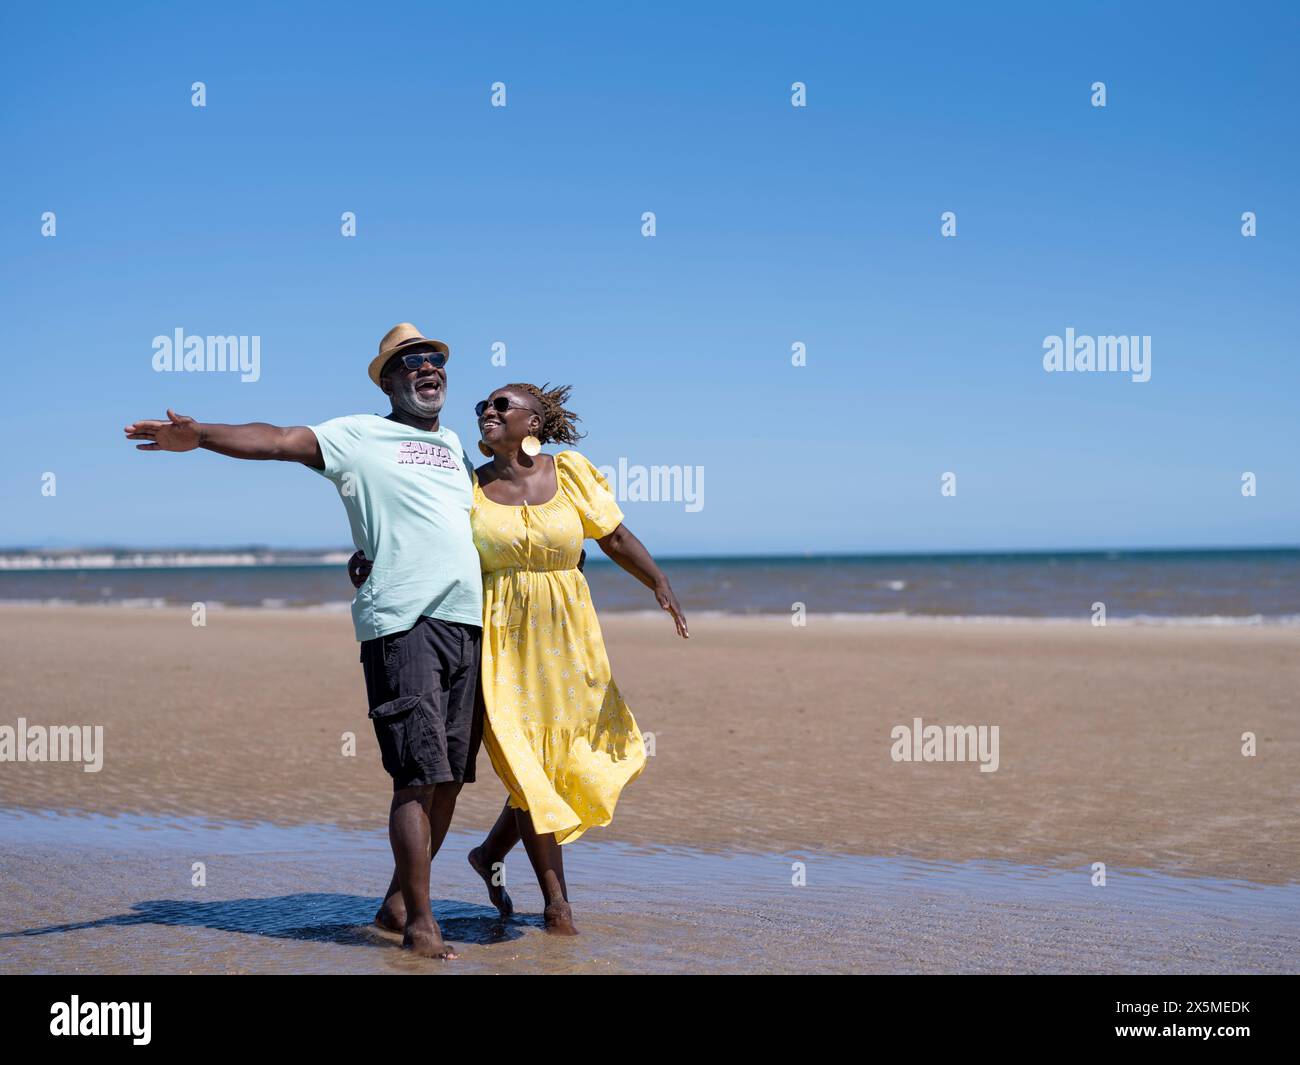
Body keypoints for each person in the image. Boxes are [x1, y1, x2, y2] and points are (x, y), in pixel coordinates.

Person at [124, 322, 482, 959]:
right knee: (414, 777)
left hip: (467, 623)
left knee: (451, 777)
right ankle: (422, 925)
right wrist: (201, 435)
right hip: (402, 623)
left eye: (435, 361)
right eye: (412, 363)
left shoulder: (454, 445)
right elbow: (279, 440)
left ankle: (399, 902)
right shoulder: (359, 435)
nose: (428, 369)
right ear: (390, 380)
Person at [354, 383, 689, 934]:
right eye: (482, 406)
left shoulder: (571, 472)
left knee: (563, 762)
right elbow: (420, 531)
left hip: (569, 640)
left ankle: (486, 855)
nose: (488, 411)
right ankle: (558, 908)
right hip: (496, 640)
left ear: (533, 422)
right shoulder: (468, 485)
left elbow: (615, 536)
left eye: (501, 405)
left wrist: (659, 582)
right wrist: (371, 561)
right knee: (528, 765)